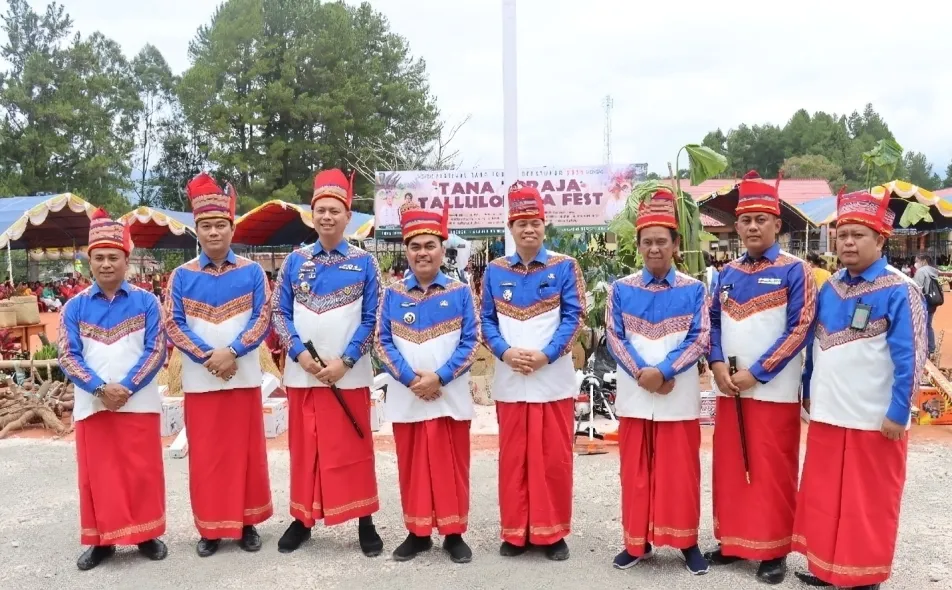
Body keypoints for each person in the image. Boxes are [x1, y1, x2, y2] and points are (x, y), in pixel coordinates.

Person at [793, 189, 927, 590]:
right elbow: (815, 345)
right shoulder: (829, 287)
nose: (848, 242)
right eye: (842, 234)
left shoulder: (900, 289)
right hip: (829, 413)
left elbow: (911, 358)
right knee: (826, 497)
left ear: (880, 240)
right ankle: (828, 569)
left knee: (867, 502)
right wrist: (807, 388)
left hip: (874, 418)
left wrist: (899, 412)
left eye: (858, 235)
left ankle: (863, 577)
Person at [706, 170, 817, 584]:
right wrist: (717, 364)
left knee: (772, 467)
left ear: (777, 225)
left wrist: (758, 372)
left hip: (774, 389)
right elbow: (712, 322)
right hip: (730, 386)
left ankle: (774, 549)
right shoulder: (726, 273)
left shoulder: (796, 271)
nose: (753, 227)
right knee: (731, 465)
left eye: (761, 220)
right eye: (746, 220)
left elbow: (800, 328)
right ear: (736, 226)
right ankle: (733, 542)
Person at [271, 168, 384, 557]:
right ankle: (303, 519)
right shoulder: (294, 261)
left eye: (335, 210)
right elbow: (278, 313)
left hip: (347, 377)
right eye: (320, 209)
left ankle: (364, 519)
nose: (327, 217)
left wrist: (347, 361)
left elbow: (373, 318)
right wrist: (300, 355)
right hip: (303, 375)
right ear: (311, 214)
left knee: (353, 446)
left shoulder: (365, 263)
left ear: (348, 216)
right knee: (305, 449)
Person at [164, 173, 273, 557]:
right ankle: (210, 527)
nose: (214, 232)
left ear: (232, 227)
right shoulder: (181, 276)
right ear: (197, 230)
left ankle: (246, 523)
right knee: (208, 457)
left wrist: (233, 351)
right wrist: (207, 357)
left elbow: (263, 317)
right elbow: (172, 323)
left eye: (220, 225)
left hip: (242, 375)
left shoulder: (252, 271)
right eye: (206, 226)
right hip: (201, 378)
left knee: (246, 452)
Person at [605, 188, 711, 575]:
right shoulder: (621, 289)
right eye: (647, 242)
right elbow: (614, 337)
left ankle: (686, 542)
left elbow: (700, 336)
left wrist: (664, 371)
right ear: (638, 245)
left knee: (680, 473)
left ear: (676, 244)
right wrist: (642, 375)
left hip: (676, 393)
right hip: (636, 395)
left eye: (661, 241)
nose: (654, 249)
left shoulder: (694, 289)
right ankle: (637, 542)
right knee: (634, 471)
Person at [481, 181, 586, 561]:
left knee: (553, 458)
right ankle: (515, 532)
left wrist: (547, 355)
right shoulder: (495, 270)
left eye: (535, 222)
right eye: (521, 222)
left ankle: (552, 533)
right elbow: (485, 321)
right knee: (514, 459)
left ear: (545, 226)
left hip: (552, 380)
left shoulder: (564, 267)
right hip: (510, 380)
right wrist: (505, 353)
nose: (529, 229)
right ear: (510, 228)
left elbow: (576, 318)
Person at [58, 209, 167, 571]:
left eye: (113, 257)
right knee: (98, 475)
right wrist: (101, 389)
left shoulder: (147, 302)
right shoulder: (73, 307)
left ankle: (146, 534)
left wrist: (128, 387)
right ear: (89, 262)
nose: (106, 264)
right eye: (99, 258)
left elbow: (156, 350)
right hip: (93, 405)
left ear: (126, 260)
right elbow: (68, 356)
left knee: (142, 471)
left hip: (139, 402)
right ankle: (101, 540)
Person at [375, 203, 480, 563]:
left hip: (449, 396)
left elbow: (472, 340)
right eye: (416, 246)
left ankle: (453, 533)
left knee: (453, 465)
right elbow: (382, 341)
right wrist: (409, 379)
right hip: (408, 397)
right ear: (407, 251)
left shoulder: (460, 292)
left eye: (430, 245)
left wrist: (440, 377)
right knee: (412, 465)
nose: (423, 252)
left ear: (442, 248)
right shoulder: (391, 294)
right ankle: (417, 533)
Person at [913, 253, 940, 357]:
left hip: (924, 301)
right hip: (933, 301)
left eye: (917, 261)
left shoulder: (921, 271)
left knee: (922, 324)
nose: (915, 263)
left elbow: (917, 287)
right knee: (928, 325)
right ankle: (931, 348)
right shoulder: (933, 270)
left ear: (922, 261)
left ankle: (924, 349)